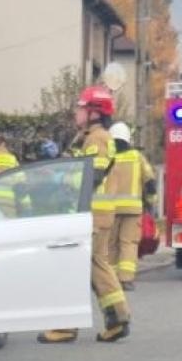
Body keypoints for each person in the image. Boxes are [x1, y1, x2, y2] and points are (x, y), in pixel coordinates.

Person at [38, 85, 130, 345]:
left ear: (94, 112)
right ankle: (117, 318)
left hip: (89, 213)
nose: (76, 112)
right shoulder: (89, 137)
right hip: (93, 214)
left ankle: (67, 326)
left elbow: (91, 176)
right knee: (95, 266)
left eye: (81, 107)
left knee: (71, 266)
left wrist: (62, 180)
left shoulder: (97, 138)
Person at [108, 122, 157, 291]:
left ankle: (111, 280)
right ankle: (126, 279)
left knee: (111, 244)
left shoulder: (107, 157)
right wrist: (151, 202)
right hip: (132, 209)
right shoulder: (136, 157)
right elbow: (150, 182)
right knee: (128, 243)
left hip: (110, 209)